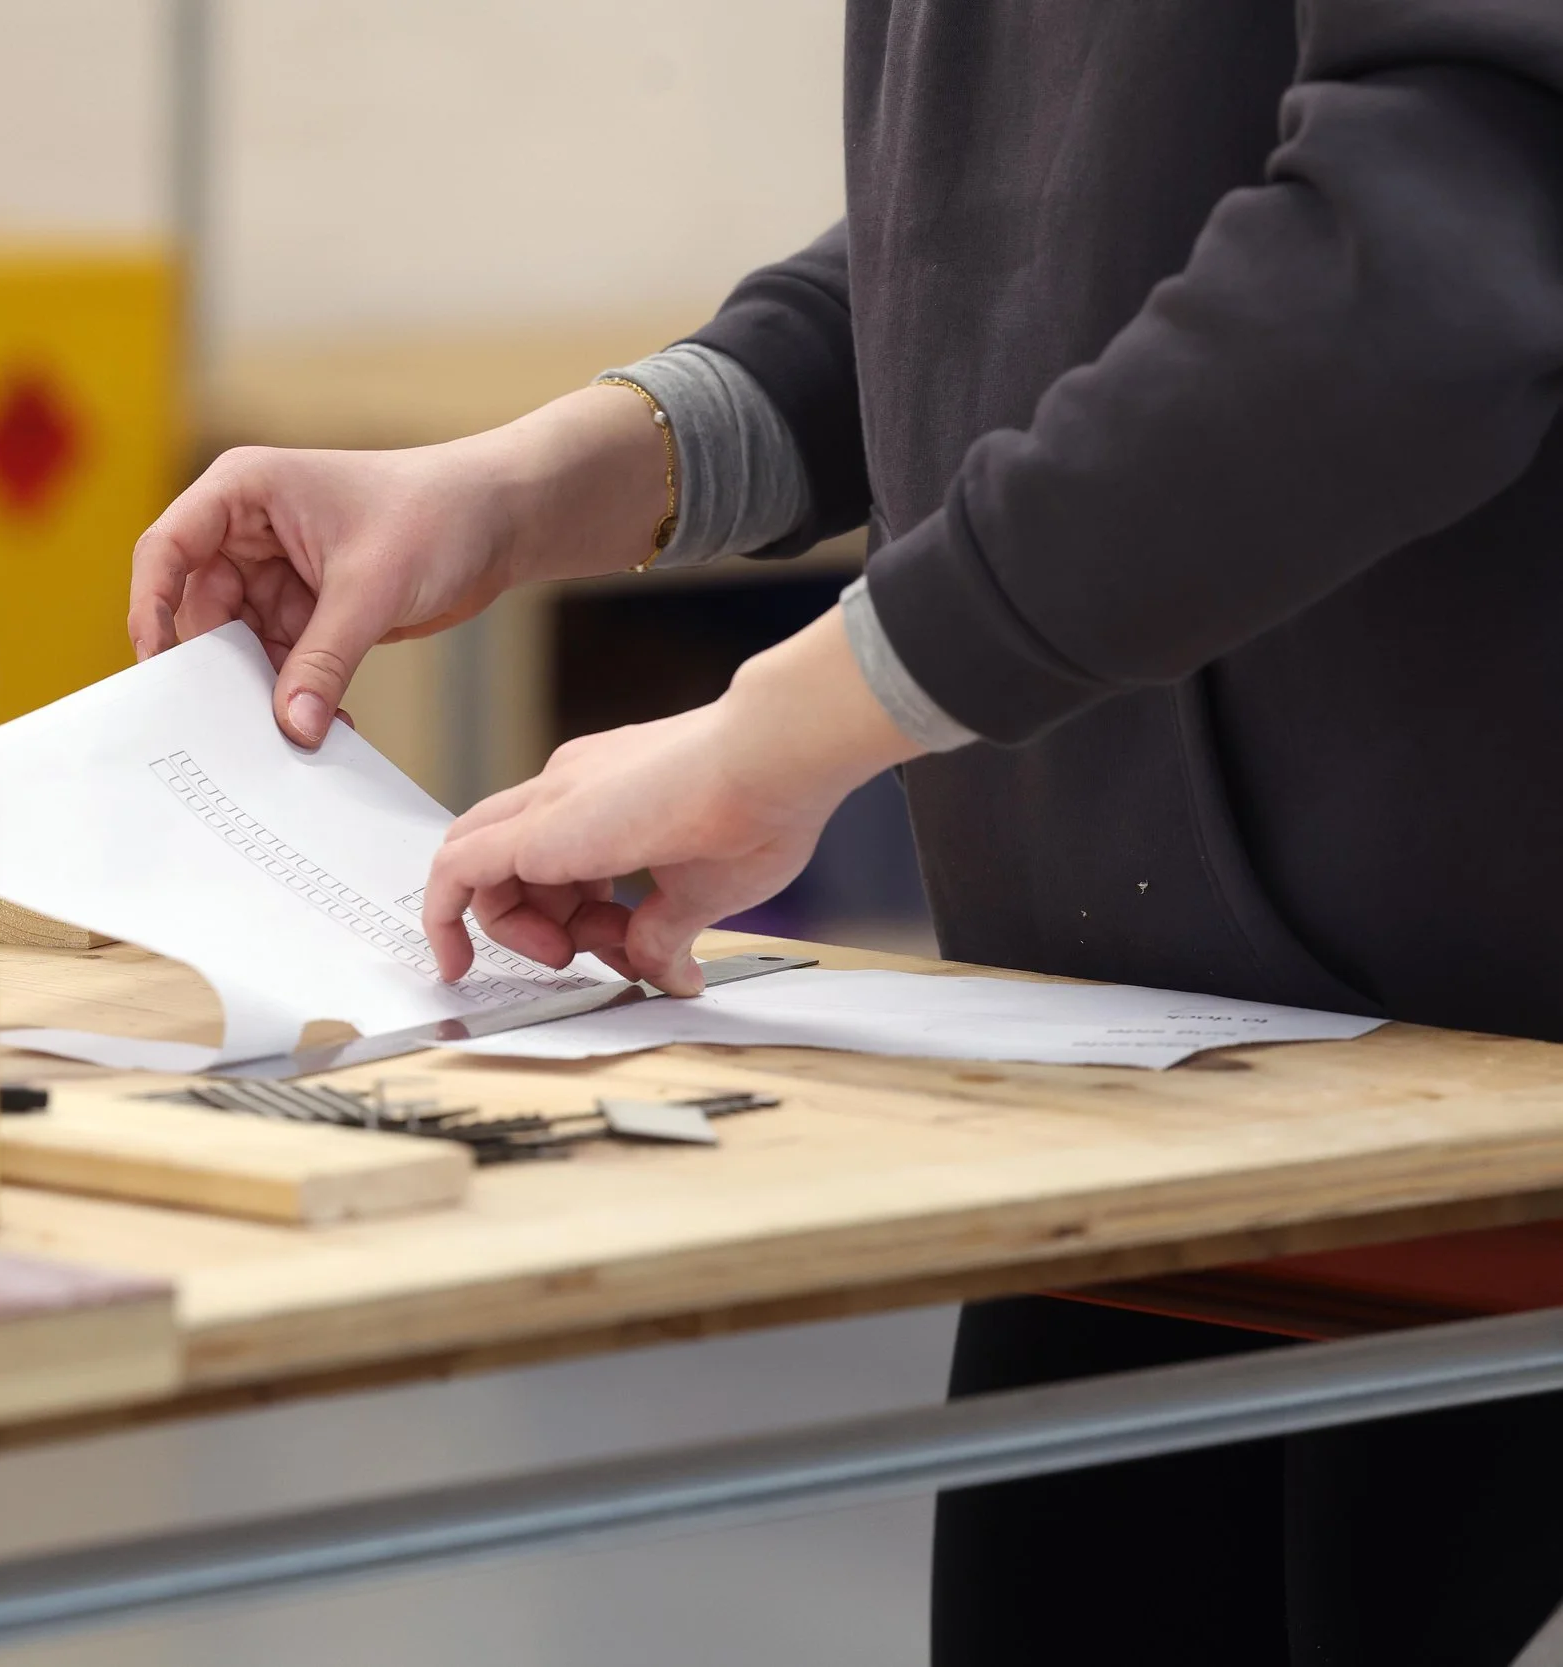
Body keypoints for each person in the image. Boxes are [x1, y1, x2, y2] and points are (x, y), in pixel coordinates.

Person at [131, 3, 1563, 1662]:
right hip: (1158, 1092)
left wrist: (786, 734)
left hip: (1490, 1095)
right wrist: (538, 481)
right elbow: (1003, 252)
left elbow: (1425, 264)